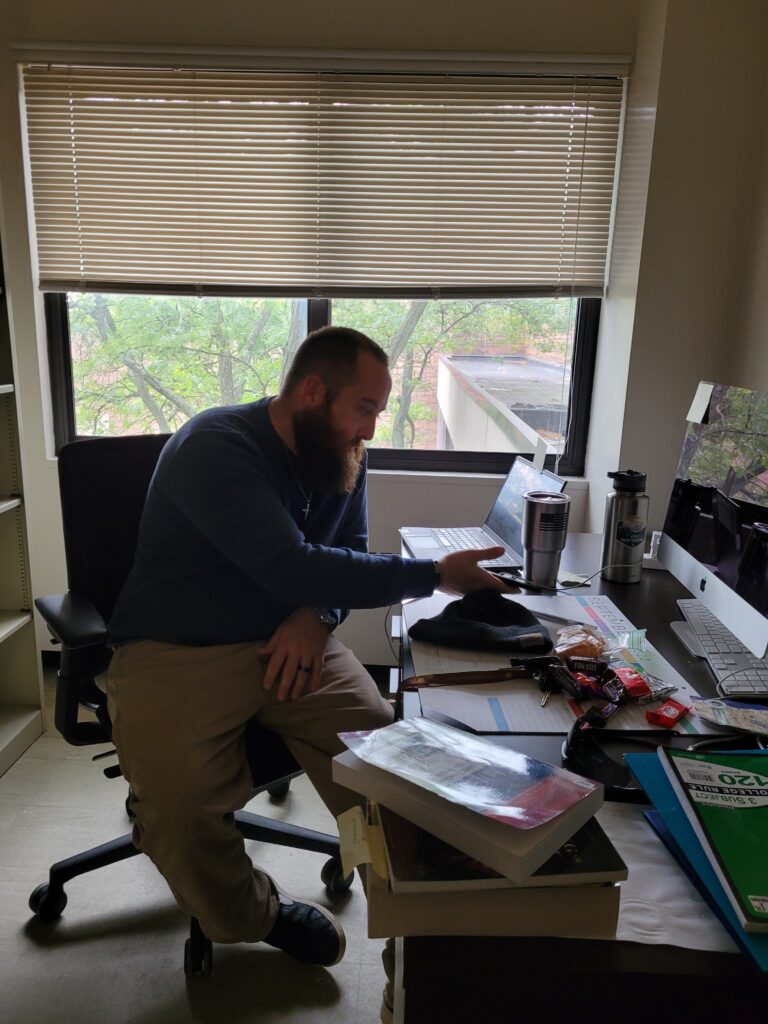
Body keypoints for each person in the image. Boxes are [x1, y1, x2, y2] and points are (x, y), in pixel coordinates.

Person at [107, 326, 506, 968]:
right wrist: (434, 575)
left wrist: (319, 614)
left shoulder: (341, 455)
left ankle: (405, 909)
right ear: (313, 392)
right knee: (178, 816)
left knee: (386, 762)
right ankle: (258, 913)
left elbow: (338, 558)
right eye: (364, 409)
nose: (370, 431)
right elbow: (293, 564)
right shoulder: (217, 446)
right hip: (177, 648)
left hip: (292, 639)